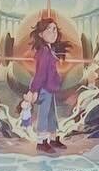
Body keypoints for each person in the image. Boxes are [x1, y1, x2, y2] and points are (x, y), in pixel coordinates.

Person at [24, 13, 68, 154]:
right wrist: (33, 89)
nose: (53, 32)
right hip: (44, 89)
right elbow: (40, 74)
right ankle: (41, 141)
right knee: (44, 114)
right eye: (49, 29)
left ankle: (53, 138)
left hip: (50, 88)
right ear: (41, 34)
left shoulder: (49, 50)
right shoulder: (43, 52)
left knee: (51, 114)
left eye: (54, 29)